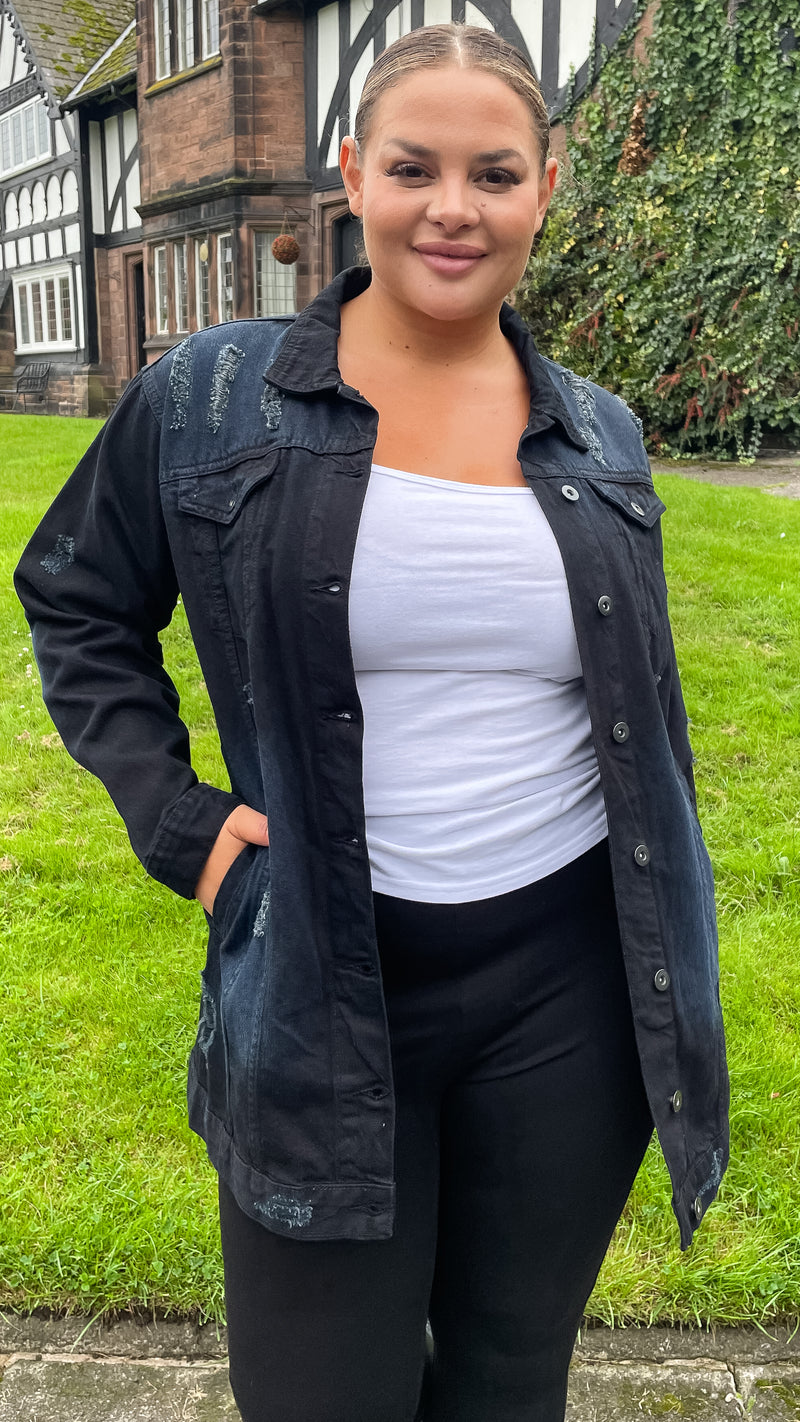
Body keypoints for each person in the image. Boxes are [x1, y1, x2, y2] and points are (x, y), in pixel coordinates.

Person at [15, 23, 729, 1422]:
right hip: (321, 982)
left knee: (510, 1377)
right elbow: (77, 597)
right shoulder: (210, 398)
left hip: (571, 984)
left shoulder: (600, 433)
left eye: (495, 173)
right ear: (353, 174)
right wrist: (182, 825)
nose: (453, 207)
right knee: (320, 1396)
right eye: (414, 168)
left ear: (545, 188)